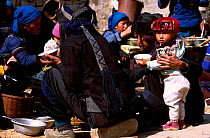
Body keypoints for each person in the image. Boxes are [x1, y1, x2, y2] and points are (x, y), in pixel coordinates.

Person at [39, 3, 139, 138]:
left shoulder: (71, 44)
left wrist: (60, 64)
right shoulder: (102, 40)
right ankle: (116, 124)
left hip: (99, 115)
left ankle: (63, 129)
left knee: (50, 75)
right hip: (125, 111)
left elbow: (71, 85)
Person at [136, 17, 190, 131]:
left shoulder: (168, 49)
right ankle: (181, 121)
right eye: (158, 33)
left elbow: (161, 64)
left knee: (171, 102)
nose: (161, 36)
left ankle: (173, 123)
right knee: (179, 102)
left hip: (173, 80)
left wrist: (148, 64)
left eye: (165, 33)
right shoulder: (178, 44)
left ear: (174, 33)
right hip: (182, 81)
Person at [0, 5, 44, 96]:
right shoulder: (14, 40)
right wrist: (46, 57)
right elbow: (25, 60)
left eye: (40, 23)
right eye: (35, 24)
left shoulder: (28, 37)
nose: (39, 27)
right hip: (9, 82)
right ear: (24, 25)